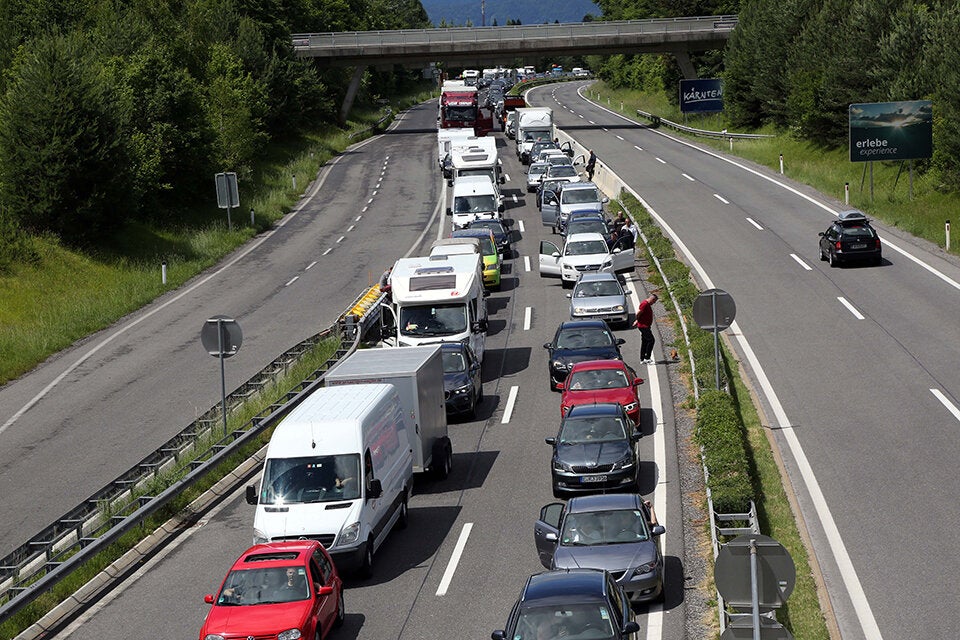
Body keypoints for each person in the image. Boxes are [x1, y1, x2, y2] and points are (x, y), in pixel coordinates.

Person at [634, 292, 658, 365]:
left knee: (645, 342)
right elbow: (639, 313)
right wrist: (637, 320)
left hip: (645, 325)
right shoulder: (644, 304)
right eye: (654, 301)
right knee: (651, 340)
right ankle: (647, 358)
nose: (653, 303)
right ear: (652, 299)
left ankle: (642, 358)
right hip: (643, 326)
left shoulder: (646, 304)